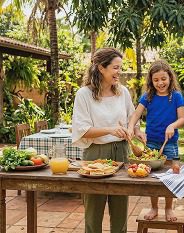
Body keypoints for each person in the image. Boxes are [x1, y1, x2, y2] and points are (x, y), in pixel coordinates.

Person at [72, 47, 142, 233]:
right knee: (93, 211)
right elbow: (82, 130)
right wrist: (111, 130)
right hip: (95, 155)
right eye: (116, 68)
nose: (119, 72)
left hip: (121, 152)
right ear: (101, 68)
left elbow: (132, 118)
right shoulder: (84, 94)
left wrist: (135, 129)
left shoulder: (123, 92)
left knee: (120, 210)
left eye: (120, 67)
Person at [128, 60, 184, 222]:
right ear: (151, 81)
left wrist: (172, 126)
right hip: (152, 143)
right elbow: (135, 114)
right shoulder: (148, 96)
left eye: (163, 79)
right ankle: (154, 207)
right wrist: (132, 127)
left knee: (171, 176)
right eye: (156, 80)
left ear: (170, 78)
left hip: (170, 143)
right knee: (152, 177)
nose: (160, 83)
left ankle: (169, 208)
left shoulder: (176, 96)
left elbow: (182, 119)